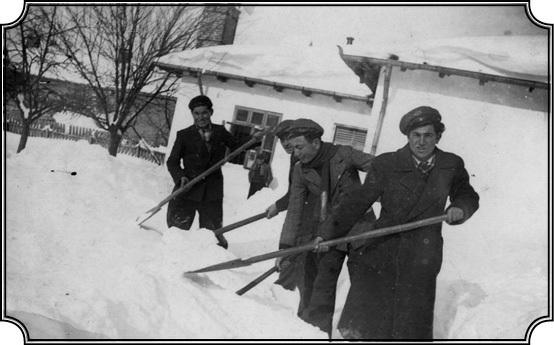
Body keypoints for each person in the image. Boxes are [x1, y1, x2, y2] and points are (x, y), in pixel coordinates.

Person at [318, 106, 480, 339]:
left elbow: (467, 194)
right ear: (408, 136)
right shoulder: (387, 164)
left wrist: (460, 208)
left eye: (428, 135)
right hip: (382, 249)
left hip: (423, 252)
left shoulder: (450, 164)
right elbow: (357, 203)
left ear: (438, 136)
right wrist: (327, 234)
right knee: (371, 322)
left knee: (410, 323)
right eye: (416, 135)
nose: (421, 142)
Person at [276, 118, 376, 338]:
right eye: (292, 149)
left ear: (316, 142)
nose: (296, 154)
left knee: (364, 283)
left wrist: (374, 194)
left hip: (361, 229)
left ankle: (357, 333)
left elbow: (380, 169)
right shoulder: (300, 170)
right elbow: (294, 210)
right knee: (322, 287)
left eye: (299, 147)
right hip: (329, 234)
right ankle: (316, 335)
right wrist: (286, 248)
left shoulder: (344, 154)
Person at [166, 95, 247, 249]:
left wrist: (255, 139)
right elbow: (172, 162)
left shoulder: (221, 132)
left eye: (204, 113)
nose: (200, 117)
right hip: (187, 189)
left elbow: (238, 146)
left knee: (212, 237)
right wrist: (180, 177)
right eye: (196, 113)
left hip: (212, 193)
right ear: (192, 114)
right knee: (177, 234)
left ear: (211, 112)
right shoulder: (184, 135)